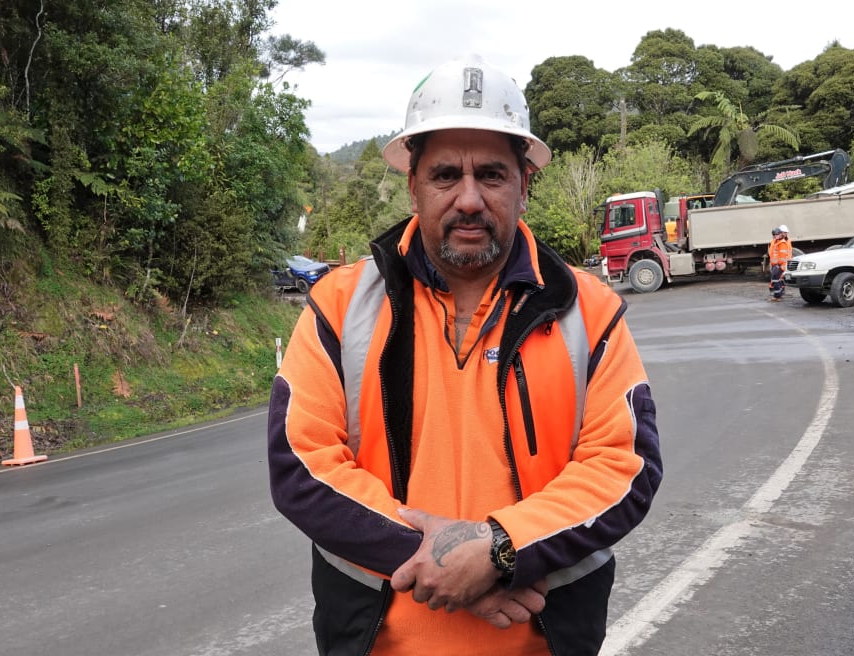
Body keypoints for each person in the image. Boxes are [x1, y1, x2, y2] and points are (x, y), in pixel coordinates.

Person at [267, 54, 663, 656]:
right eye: (447, 174)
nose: (469, 198)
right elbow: (302, 465)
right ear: (414, 184)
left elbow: (623, 466)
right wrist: (447, 564)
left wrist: (503, 550)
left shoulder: (590, 310)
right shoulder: (339, 306)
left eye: (493, 175)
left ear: (525, 184)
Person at [767, 224, 792, 301]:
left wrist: (780, 266)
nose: (775, 236)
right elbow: (773, 253)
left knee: (776, 280)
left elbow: (782, 257)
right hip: (776, 264)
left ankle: (777, 296)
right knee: (777, 280)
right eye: (774, 235)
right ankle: (778, 295)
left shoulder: (782, 243)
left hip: (779, 265)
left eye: (777, 234)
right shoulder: (776, 242)